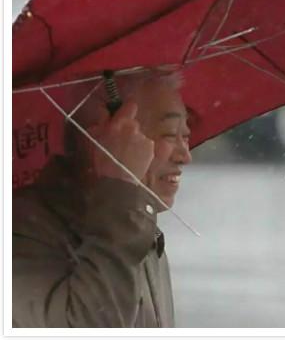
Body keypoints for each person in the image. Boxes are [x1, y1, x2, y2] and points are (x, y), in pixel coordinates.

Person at [13, 71, 190, 327]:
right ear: (100, 138)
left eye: (185, 136)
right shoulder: (21, 231)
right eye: (170, 134)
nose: (185, 156)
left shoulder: (140, 231)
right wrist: (121, 185)